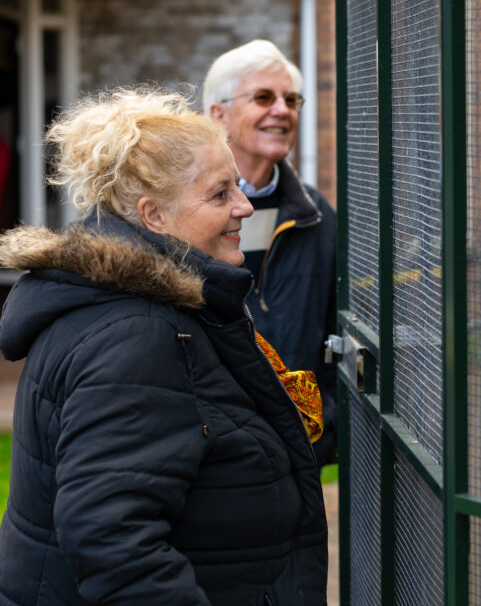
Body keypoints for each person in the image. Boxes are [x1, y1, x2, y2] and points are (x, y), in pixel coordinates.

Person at [0, 88, 328, 605]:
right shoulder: (137, 335)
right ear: (153, 216)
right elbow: (112, 539)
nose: (244, 207)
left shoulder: (159, 309)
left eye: (237, 188)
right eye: (220, 194)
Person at [203, 40, 337, 466]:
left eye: (291, 99)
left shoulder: (318, 219)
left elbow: (344, 337)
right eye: (263, 97)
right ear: (218, 115)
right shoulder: (178, 218)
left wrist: (320, 427)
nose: (282, 110)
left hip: (292, 455)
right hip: (207, 453)